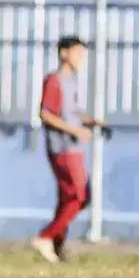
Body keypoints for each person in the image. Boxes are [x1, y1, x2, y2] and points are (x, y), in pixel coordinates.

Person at [32, 36, 108, 263]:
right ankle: (45, 237)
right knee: (78, 195)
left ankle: (56, 245)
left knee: (71, 198)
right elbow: (45, 114)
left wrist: (90, 121)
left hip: (73, 147)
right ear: (63, 53)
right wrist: (74, 131)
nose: (81, 59)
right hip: (62, 147)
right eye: (77, 53)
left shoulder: (71, 80)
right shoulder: (54, 80)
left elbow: (71, 111)